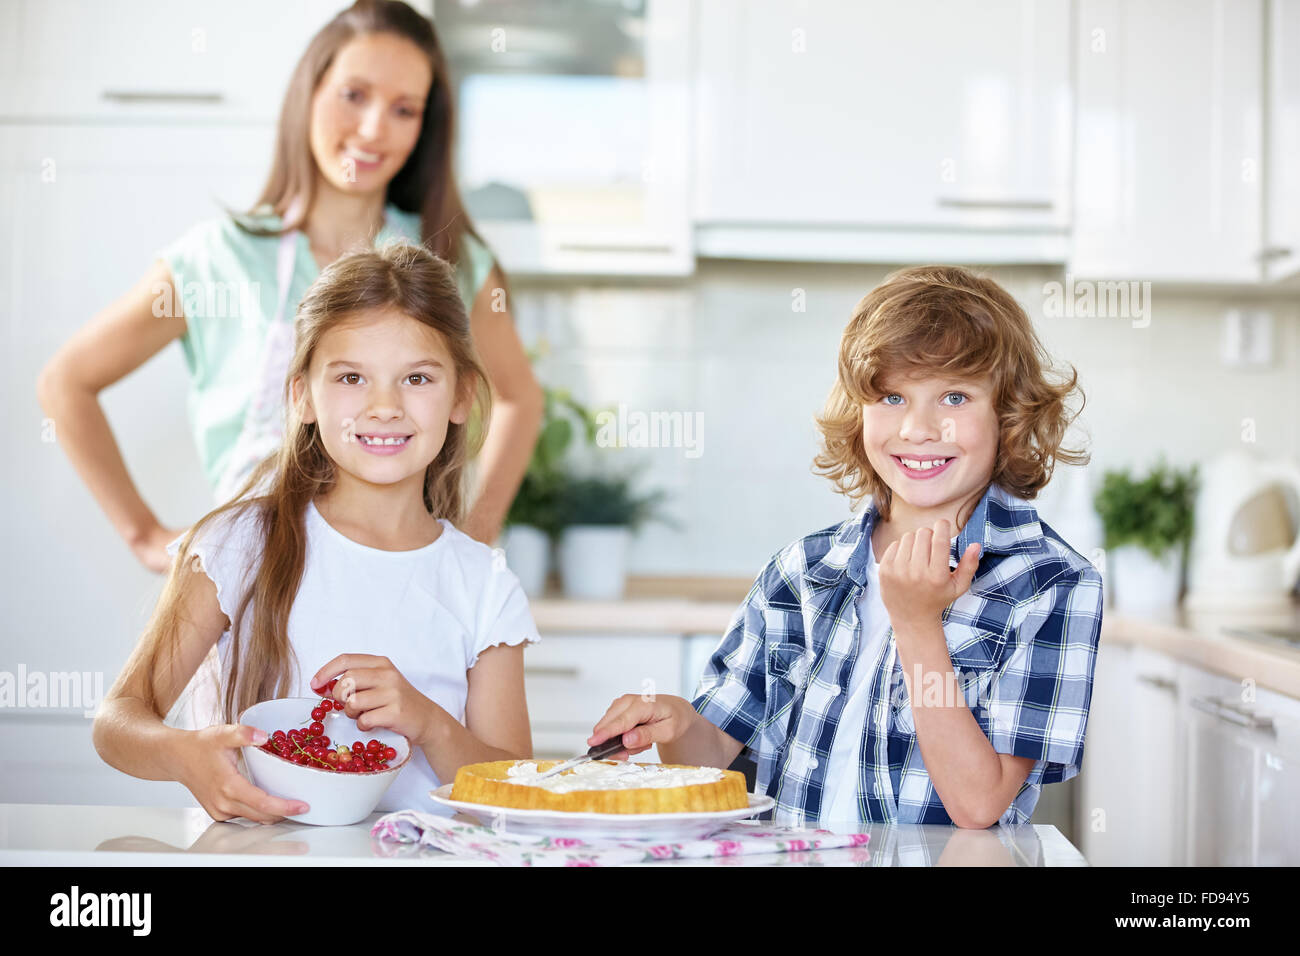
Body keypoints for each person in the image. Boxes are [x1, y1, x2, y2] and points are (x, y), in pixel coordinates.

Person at [587, 265, 1105, 829]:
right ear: (858, 412)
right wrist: (679, 724)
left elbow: (978, 804)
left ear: (1007, 414)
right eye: (891, 397)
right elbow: (716, 757)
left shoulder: (1052, 584)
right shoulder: (803, 571)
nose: (917, 428)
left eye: (954, 396)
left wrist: (916, 624)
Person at [36, 0, 542, 573]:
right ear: (310, 93)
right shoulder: (217, 260)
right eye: (354, 94)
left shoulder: (452, 263)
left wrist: (474, 537)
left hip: (402, 582)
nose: (375, 128)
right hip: (246, 592)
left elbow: (519, 397)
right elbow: (66, 382)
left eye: (405, 109)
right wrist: (144, 535)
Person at [92, 241, 538, 824]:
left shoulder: (484, 585)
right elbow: (118, 721)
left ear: (461, 396)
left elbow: (516, 787)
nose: (384, 407)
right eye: (352, 377)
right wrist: (181, 754)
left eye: (418, 378)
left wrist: (432, 724)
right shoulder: (236, 547)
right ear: (302, 394)